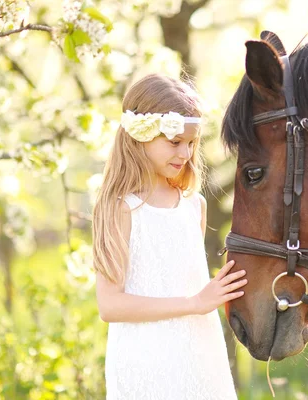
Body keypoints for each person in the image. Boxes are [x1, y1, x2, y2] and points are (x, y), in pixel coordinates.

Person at [92, 74, 246, 399]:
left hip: (201, 354)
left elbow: (190, 282)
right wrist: (195, 303)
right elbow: (110, 305)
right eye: (174, 142)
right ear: (139, 136)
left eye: (192, 143)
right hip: (147, 363)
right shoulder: (121, 208)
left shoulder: (194, 205)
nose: (186, 153)